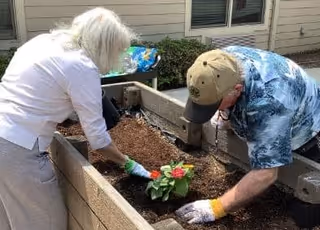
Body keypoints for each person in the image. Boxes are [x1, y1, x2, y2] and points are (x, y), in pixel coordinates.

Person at [0, 7, 150, 230]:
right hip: (16, 149)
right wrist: (126, 162)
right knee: (47, 222)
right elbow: (98, 140)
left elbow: (43, 91)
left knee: (11, 217)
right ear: (106, 46)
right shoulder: (81, 66)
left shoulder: (42, 42)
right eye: (116, 51)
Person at [175, 46, 320, 224]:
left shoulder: (270, 102)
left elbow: (266, 173)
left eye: (214, 103)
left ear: (236, 89)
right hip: (269, 101)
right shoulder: (217, 64)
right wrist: (223, 112)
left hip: (306, 124)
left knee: (306, 206)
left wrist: (218, 207)